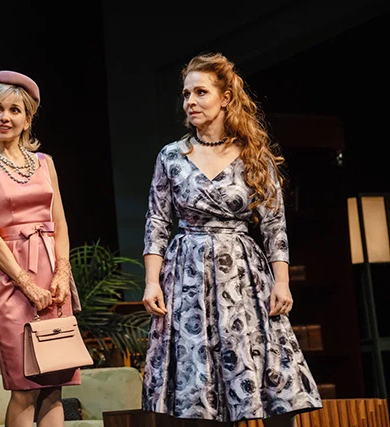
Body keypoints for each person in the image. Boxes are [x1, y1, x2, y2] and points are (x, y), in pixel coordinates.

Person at [141, 52, 323, 427]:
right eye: (186, 94)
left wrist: (282, 281)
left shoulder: (253, 155)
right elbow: (157, 221)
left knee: (265, 371)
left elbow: (274, 225)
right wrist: (151, 281)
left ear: (225, 98)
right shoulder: (171, 157)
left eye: (201, 92)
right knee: (196, 380)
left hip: (242, 275)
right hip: (188, 276)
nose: (190, 101)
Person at [0, 70, 82, 427]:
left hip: (52, 276)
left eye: (15, 110)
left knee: (55, 385)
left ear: (27, 119)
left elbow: (59, 223)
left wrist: (62, 273)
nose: (5, 117)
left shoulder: (45, 163)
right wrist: (27, 284)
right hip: (10, 280)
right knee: (25, 387)